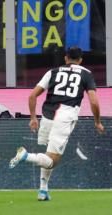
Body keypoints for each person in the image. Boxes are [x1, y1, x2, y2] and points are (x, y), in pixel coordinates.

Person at [9, 46, 104, 201]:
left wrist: (33, 118)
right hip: (65, 118)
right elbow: (94, 102)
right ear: (80, 60)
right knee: (52, 161)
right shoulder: (86, 74)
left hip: (47, 116)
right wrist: (97, 122)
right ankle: (26, 156)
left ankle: (43, 190)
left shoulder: (52, 72)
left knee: (47, 155)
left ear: (65, 58)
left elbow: (32, 96)